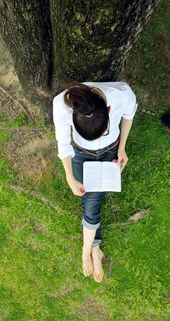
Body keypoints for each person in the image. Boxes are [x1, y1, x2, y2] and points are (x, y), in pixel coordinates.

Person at [52, 81, 138, 282]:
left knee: (92, 199)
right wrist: (69, 176)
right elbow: (63, 143)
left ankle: (89, 249)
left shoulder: (123, 94)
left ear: (108, 110)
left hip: (110, 150)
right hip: (80, 153)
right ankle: (93, 248)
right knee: (90, 197)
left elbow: (128, 116)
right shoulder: (61, 105)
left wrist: (122, 148)